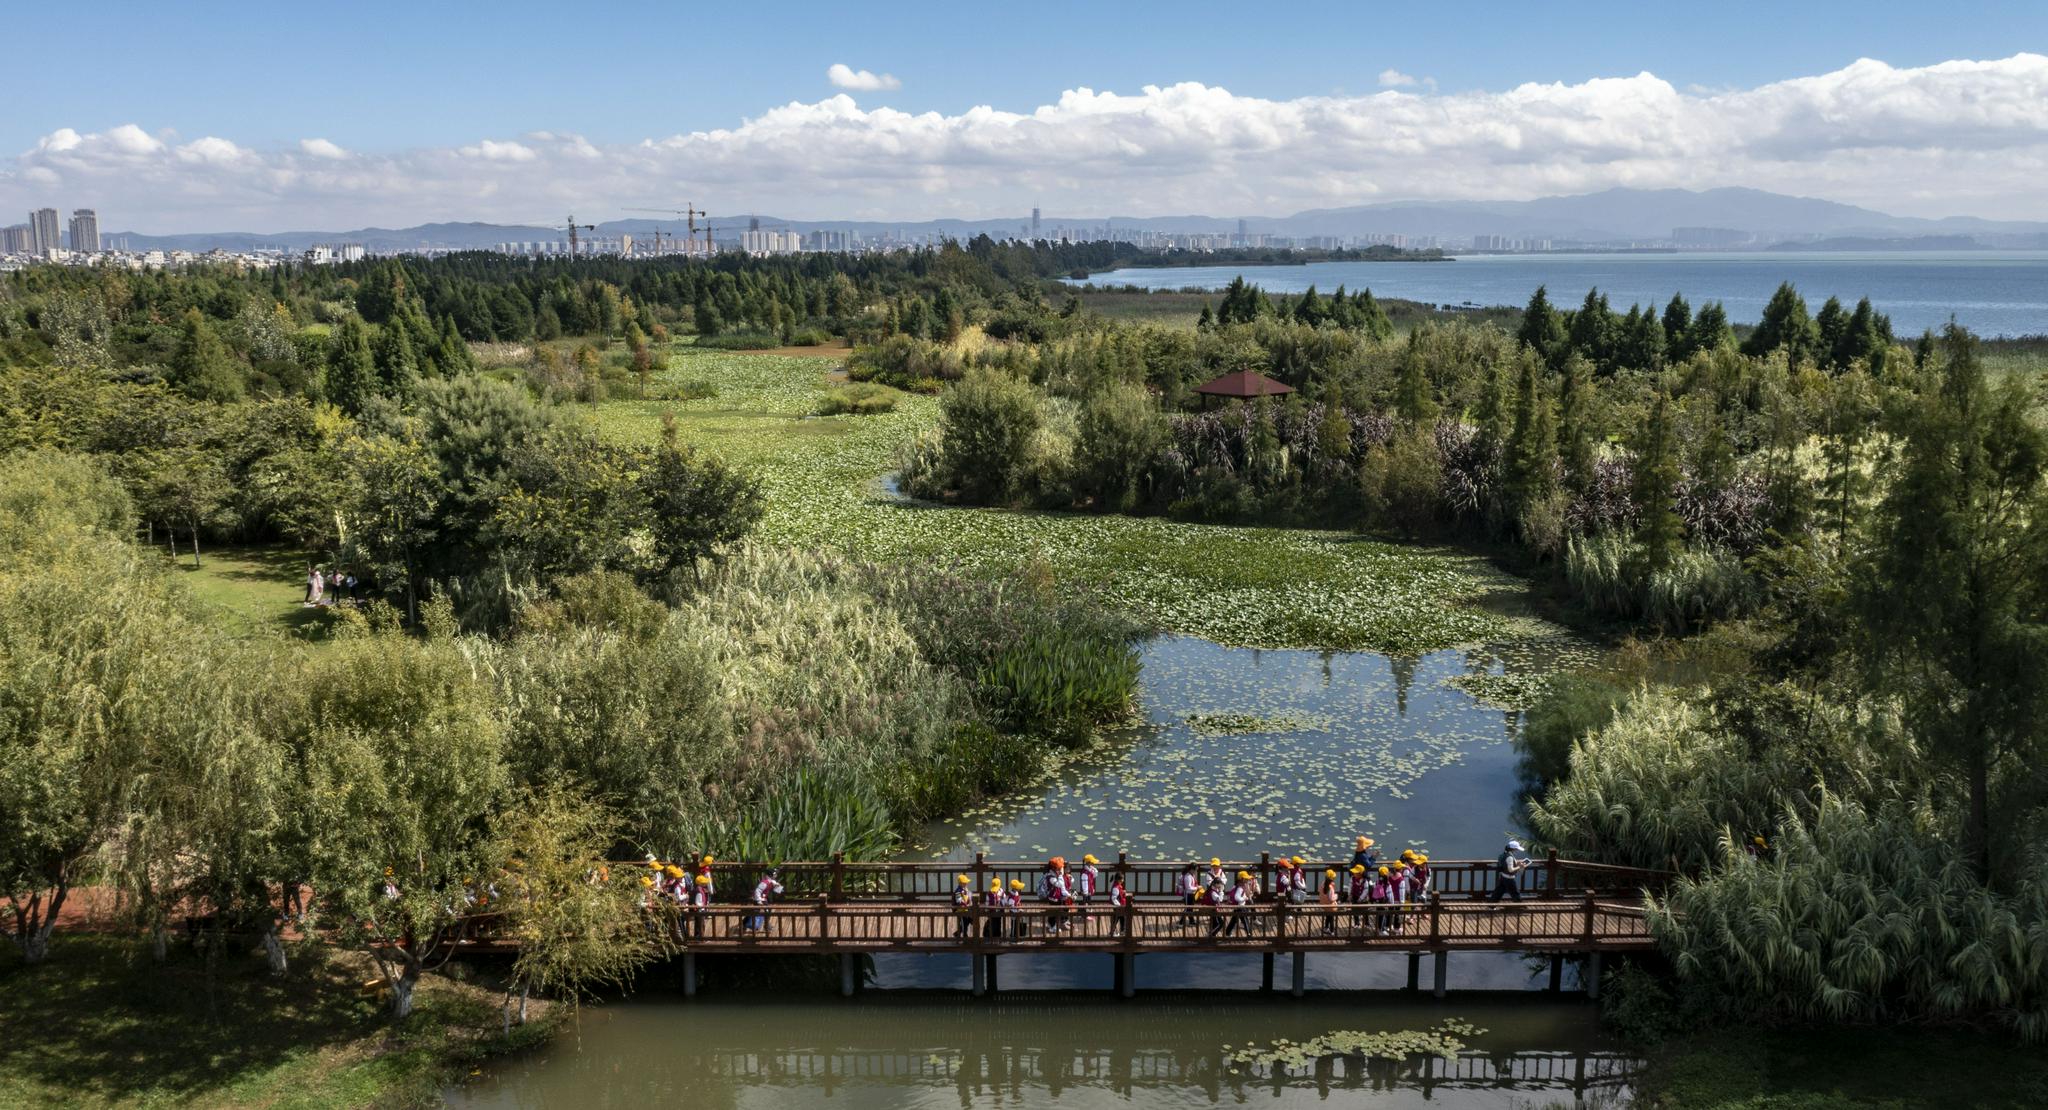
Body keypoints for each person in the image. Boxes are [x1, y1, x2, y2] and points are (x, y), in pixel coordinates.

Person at [746, 867, 783, 933]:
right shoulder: (764, 883)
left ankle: (746, 924)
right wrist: (759, 901)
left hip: (763, 898)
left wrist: (778, 887)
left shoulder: (770, 881)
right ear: (771, 875)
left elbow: (776, 887)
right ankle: (765, 926)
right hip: (759, 899)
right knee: (764, 911)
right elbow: (757, 891)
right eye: (775, 874)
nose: (776, 875)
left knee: (760, 911)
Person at [1076, 854, 1100, 923]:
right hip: (1086, 891)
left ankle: (1083, 913)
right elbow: (1085, 884)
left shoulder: (1090, 870)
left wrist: (1094, 870)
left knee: (1088, 901)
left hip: (1089, 889)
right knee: (1085, 902)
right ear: (1089, 862)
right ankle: (1085, 915)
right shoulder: (1085, 873)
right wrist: (1086, 892)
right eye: (1092, 862)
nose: (1093, 863)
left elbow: (1095, 875)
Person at [952, 873, 976, 938]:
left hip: (966, 910)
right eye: (964, 883)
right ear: (960, 883)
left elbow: (970, 896)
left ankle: (957, 933)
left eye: (966, 882)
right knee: (964, 924)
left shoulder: (966, 890)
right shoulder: (958, 891)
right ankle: (965, 937)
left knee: (969, 921)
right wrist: (966, 904)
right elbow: (959, 901)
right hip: (960, 911)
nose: (966, 884)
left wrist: (970, 901)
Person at [689, 873, 711, 939]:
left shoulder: (700, 889)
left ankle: (699, 936)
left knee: (699, 924)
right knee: (700, 924)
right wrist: (704, 906)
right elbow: (698, 902)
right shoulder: (699, 891)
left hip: (700, 910)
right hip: (700, 910)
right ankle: (700, 937)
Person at [1319, 868, 1340, 935]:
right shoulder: (1330, 887)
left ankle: (1326, 927)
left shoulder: (1322, 884)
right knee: (1331, 918)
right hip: (1330, 905)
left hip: (1324, 904)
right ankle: (1332, 931)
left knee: (1328, 916)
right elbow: (1331, 898)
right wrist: (1337, 896)